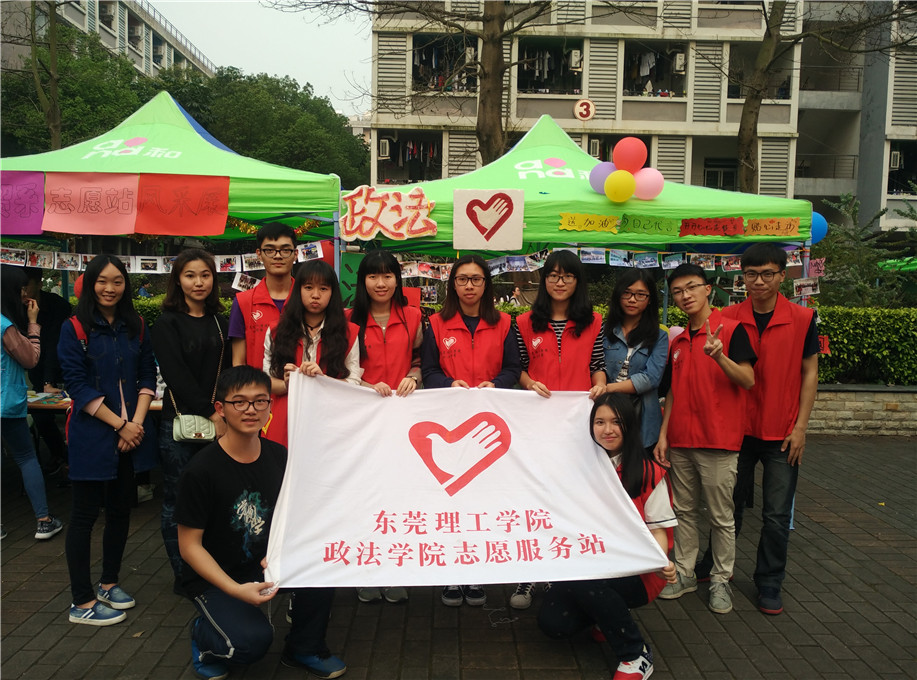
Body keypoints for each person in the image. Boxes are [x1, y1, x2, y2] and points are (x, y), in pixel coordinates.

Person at [176, 366, 346, 680]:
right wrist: (234, 589)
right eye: (239, 402)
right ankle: (203, 636)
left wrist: (285, 551)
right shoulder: (200, 471)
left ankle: (305, 647)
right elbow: (189, 547)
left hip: (267, 563)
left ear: (270, 405)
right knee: (249, 645)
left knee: (323, 563)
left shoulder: (279, 456)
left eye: (259, 401)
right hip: (219, 576)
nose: (251, 410)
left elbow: (297, 516)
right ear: (220, 408)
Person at [695, 243, 819, 615]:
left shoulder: (802, 318)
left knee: (777, 515)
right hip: (737, 430)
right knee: (727, 506)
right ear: (742, 277)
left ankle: (769, 581)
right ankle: (716, 564)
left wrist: (801, 427)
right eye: (751, 274)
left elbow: (810, 372)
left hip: (782, 432)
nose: (759, 281)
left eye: (767, 274)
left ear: (782, 275)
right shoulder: (727, 317)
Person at [538, 393, 676, 680]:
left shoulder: (650, 472)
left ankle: (635, 654)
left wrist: (660, 561)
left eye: (616, 422)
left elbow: (659, 530)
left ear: (630, 425)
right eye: (599, 422)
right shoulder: (579, 467)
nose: (607, 429)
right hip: (589, 563)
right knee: (553, 623)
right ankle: (607, 616)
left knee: (588, 580)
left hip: (637, 573)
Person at [59, 255, 158, 626]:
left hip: (132, 432)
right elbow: (77, 385)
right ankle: (81, 602)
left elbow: (147, 374)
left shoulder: (137, 326)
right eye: (102, 281)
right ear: (90, 283)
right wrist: (120, 425)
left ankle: (108, 583)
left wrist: (136, 424)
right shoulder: (74, 328)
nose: (109, 288)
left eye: (117, 281)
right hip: (92, 434)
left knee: (120, 511)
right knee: (84, 516)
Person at [653, 263, 756, 615]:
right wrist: (664, 436)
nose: (685, 296)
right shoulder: (678, 341)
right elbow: (672, 393)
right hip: (681, 441)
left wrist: (720, 356)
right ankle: (684, 573)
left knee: (720, 516)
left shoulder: (732, 330)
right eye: (678, 291)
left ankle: (720, 580)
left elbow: (748, 380)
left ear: (708, 289)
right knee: (683, 512)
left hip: (719, 441)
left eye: (691, 287)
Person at [421, 253, 521, 608]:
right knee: (451, 501)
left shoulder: (505, 323)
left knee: (485, 499)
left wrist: (497, 384)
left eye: (476, 279)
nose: (469, 286)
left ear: (486, 284)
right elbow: (428, 371)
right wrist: (449, 384)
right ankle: (451, 573)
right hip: (451, 422)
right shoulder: (436, 323)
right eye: (462, 279)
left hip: (490, 426)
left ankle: (477, 572)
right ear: (453, 285)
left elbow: (514, 368)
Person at [512, 249, 606, 609]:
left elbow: (597, 364)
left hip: (578, 424)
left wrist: (600, 384)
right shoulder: (524, 322)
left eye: (567, 275)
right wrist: (528, 382)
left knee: (570, 495)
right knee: (534, 494)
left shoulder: (593, 321)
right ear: (544, 280)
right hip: (537, 424)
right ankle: (527, 573)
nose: (559, 281)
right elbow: (518, 368)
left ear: (577, 281)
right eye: (552, 275)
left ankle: (561, 568)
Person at [151, 249, 230, 597]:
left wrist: (225, 413)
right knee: (178, 501)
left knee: (213, 499)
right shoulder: (166, 323)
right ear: (178, 280)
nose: (199, 282)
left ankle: (211, 569)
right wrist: (212, 412)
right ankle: (184, 575)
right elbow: (176, 376)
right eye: (190, 275)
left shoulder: (220, 321)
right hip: (180, 427)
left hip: (219, 426)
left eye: (205, 275)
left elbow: (226, 371)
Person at [346, 250, 422, 605]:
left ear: (397, 279)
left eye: (388, 275)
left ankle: (394, 570)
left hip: (404, 419)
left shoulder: (413, 316)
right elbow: (340, 367)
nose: (381, 283)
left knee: (399, 495)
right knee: (365, 495)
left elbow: (422, 360)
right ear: (362, 281)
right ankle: (365, 570)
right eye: (373, 276)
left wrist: (413, 376)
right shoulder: (348, 319)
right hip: (363, 420)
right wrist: (363, 385)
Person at [264, 260, 361, 446]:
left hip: (330, 420)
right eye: (308, 287)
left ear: (332, 293)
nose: (315, 295)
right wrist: (287, 383)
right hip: (285, 417)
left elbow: (354, 381)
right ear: (298, 290)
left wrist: (322, 380)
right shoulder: (276, 331)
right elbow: (266, 381)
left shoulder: (349, 333)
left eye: (323, 288)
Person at [0, 265, 64, 540]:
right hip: (6, 403)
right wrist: (33, 323)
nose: (25, 294)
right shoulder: (5, 326)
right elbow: (31, 359)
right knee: (26, 457)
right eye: (21, 289)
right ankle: (44, 521)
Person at [602, 269, 669, 451]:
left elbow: (651, 378)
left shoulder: (659, 337)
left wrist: (607, 388)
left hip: (642, 417)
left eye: (640, 295)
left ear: (649, 300)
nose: (632, 299)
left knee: (637, 466)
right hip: (605, 412)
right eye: (627, 293)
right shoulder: (603, 331)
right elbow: (594, 366)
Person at [229, 224, 297, 369]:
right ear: (259, 254)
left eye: (285, 250)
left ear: (295, 254)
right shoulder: (243, 302)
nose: (277, 256)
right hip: (258, 383)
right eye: (270, 250)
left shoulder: (308, 299)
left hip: (303, 383)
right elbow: (238, 362)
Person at [24, 266, 71, 474]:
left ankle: (73, 458)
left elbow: (54, 343)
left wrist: (48, 381)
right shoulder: (16, 307)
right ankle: (59, 454)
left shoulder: (57, 305)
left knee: (73, 413)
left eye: (27, 285)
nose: (23, 291)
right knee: (41, 417)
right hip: (37, 369)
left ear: (39, 284)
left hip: (64, 368)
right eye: (20, 287)